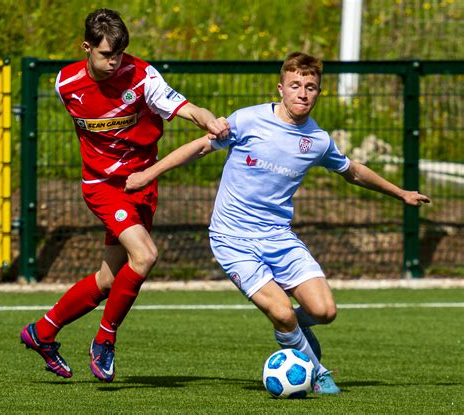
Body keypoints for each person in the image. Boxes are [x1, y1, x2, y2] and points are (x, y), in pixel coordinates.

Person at [124, 52, 431, 394]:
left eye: (311, 87)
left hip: (279, 238)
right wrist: (148, 174)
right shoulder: (248, 121)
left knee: (325, 311)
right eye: (296, 85)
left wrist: (400, 193)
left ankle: (289, 332)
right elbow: (198, 147)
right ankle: (317, 373)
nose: (303, 93)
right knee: (282, 313)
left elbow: (353, 172)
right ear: (281, 88)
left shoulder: (318, 141)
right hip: (232, 239)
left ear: (318, 93)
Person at [20, 8, 229, 383]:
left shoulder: (144, 77)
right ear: (86, 47)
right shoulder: (64, 83)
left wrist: (210, 120)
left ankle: (42, 332)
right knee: (146, 254)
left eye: (119, 54)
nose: (114, 62)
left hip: (142, 184)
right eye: (105, 55)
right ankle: (104, 340)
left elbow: (187, 108)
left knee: (106, 281)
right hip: (102, 187)